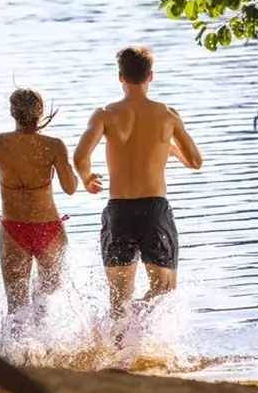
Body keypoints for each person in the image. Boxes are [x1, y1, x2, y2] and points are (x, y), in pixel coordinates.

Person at [73, 44, 203, 320]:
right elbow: (195, 162)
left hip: (119, 210)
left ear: (120, 76)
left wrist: (86, 179)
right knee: (164, 291)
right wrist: (171, 148)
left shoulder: (104, 114)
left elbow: (80, 156)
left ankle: (118, 348)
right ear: (151, 77)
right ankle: (137, 321)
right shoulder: (168, 115)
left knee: (118, 299)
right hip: (154, 210)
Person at [0, 88, 79, 314]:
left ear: (12, 112)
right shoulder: (53, 145)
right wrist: (68, 166)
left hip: (13, 231)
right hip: (49, 229)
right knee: (47, 305)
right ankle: (47, 347)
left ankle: (15, 350)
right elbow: (70, 188)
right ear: (41, 113)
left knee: (16, 307)